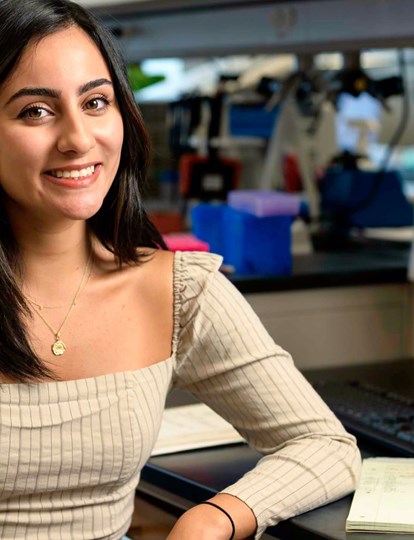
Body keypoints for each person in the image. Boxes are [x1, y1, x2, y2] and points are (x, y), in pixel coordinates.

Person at [0, 0, 361, 539]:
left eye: (96, 102)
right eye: (36, 111)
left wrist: (213, 519)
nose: (78, 139)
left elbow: (324, 446)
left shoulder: (179, 290)